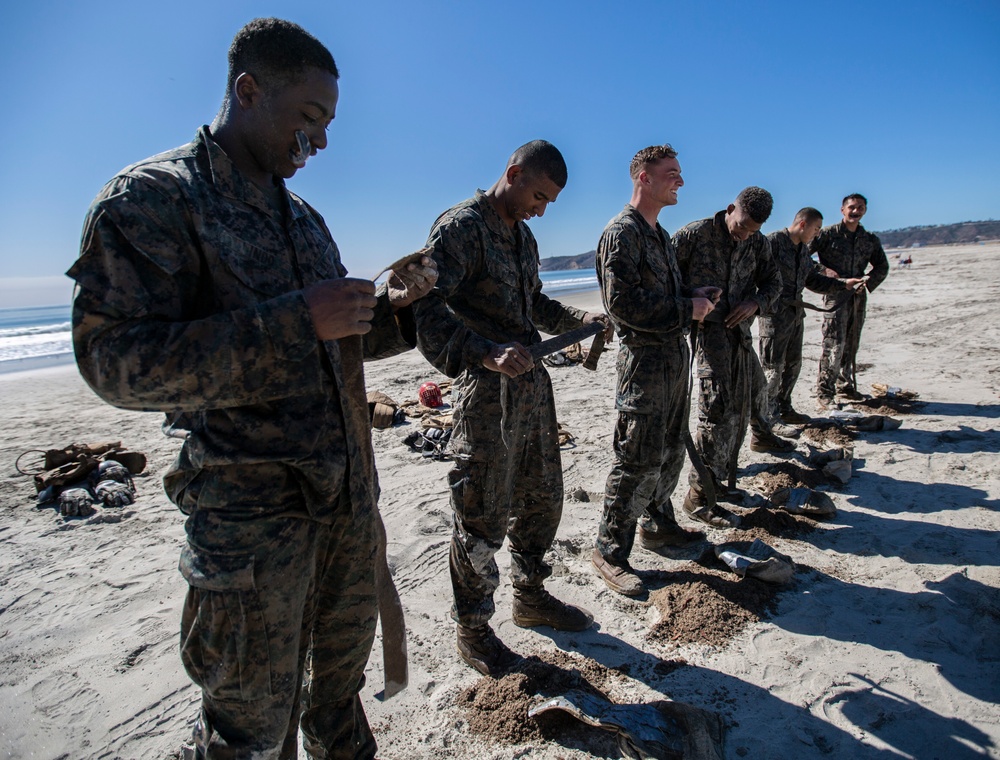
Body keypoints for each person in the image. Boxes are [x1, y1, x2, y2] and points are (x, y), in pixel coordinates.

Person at [67, 18, 437, 759]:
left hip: (344, 507)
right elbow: (114, 363)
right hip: (252, 527)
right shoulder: (154, 199)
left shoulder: (303, 220)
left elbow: (339, 350)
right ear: (247, 90)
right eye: (309, 120)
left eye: (328, 125)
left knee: (338, 702)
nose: (321, 143)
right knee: (251, 732)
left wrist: (399, 313)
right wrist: (298, 319)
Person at [413, 141, 608, 675]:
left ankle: (530, 597)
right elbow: (422, 309)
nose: (542, 209)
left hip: (531, 387)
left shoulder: (522, 236)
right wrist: (485, 353)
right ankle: (473, 632)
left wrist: (577, 320)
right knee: (482, 513)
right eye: (539, 196)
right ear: (513, 173)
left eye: (550, 202)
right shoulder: (461, 228)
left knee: (543, 497)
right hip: (486, 397)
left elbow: (534, 305)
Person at [589, 144, 719, 597]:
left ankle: (660, 526)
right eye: (672, 173)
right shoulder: (621, 233)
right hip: (643, 364)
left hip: (673, 361)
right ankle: (609, 551)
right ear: (643, 177)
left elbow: (664, 292)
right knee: (636, 459)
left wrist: (693, 292)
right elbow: (622, 307)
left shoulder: (658, 235)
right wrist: (688, 308)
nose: (680, 181)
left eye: (680, 173)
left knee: (668, 451)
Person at [673, 187, 783, 528]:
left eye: (753, 229)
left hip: (740, 335)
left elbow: (773, 282)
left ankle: (719, 481)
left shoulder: (758, 242)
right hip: (706, 336)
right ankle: (699, 496)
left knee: (750, 401)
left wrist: (756, 303)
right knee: (717, 412)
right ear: (730, 208)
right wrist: (690, 299)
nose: (745, 234)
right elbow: (663, 282)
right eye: (742, 225)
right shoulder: (693, 235)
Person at [760, 208, 863, 424]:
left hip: (795, 315)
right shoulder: (772, 243)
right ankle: (768, 418)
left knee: (793, 364)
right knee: (773, 368)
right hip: (774, 316)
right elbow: (754, 274)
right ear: (803, 224)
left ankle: (784, 407)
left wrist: (844, 285)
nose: (817, 234)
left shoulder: (803, 250)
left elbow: (812, 280)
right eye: (816, 229)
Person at [810, 193, 890, 408]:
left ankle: (845, 386)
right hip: (835, 295)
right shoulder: (827, 235)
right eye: (852, 207)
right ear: (842, 210)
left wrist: (867, 282)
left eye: (860, 208)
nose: (856, 211)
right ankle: (824, 391)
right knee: (833, 344)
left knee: (852, 343)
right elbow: (802, 255)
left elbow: (882, 266)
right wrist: (823, 271)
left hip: (857, 297)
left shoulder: (869, 239)